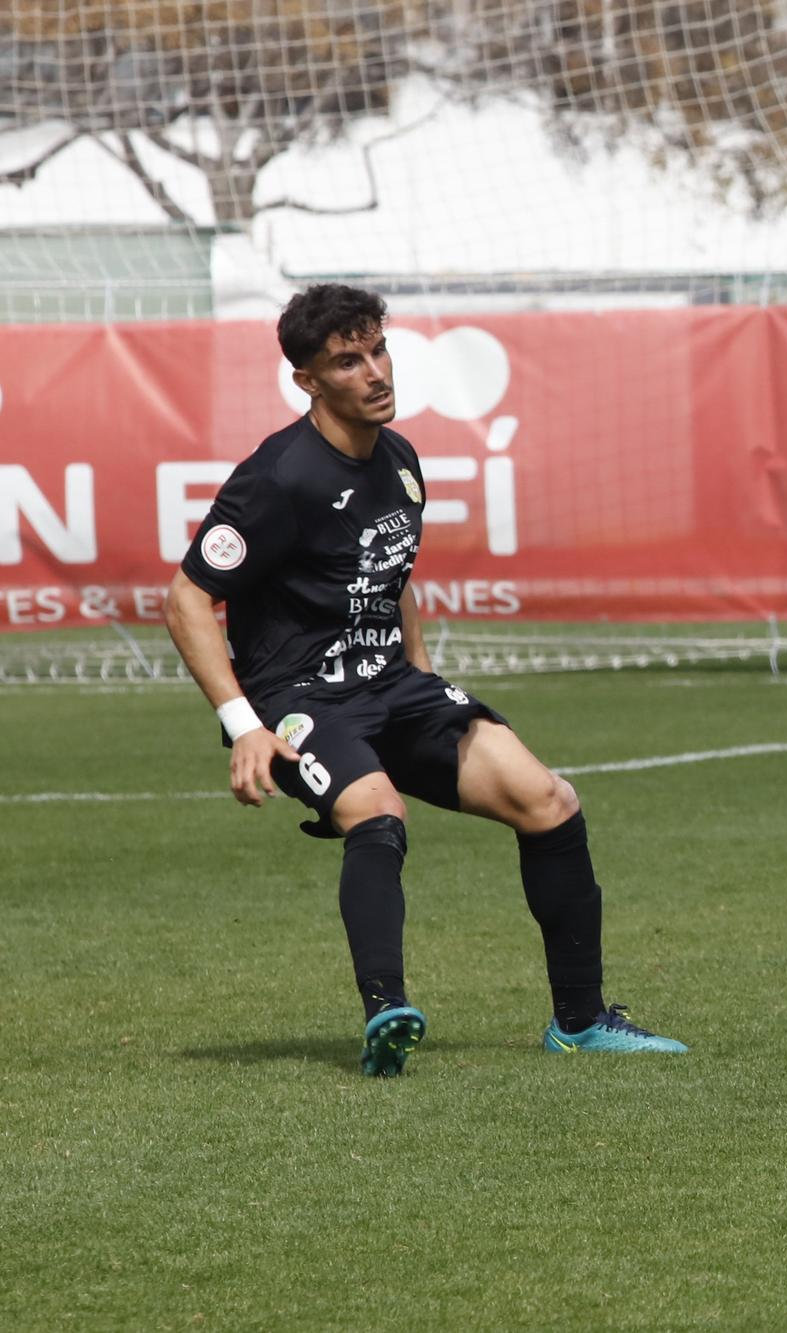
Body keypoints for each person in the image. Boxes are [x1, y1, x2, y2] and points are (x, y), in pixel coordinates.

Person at [162, 283, 684, 1076]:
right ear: (308, 380)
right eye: (348, 360)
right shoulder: (280, 477)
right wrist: (244, 727)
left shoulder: (399, 459)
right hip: (299, 700)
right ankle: (387, 1016)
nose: (375, 371)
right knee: (378, 812)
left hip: (392, 690)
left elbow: (391, 572)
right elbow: (188, 598)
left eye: (378, 349)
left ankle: (579, 1023)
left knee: (550, 800)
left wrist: (424, 687)